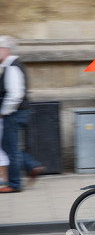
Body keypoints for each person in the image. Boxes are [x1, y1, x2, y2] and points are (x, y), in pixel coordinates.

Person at [0, 35, 44, 193]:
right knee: (8, 146)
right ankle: (32, 165)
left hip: (15, 113)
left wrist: (3, 112)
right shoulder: (11, 65)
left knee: (10, 148)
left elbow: (15, 95)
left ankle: (14, 184)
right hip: (18, 112)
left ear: (5, 50)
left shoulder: (12, 66)